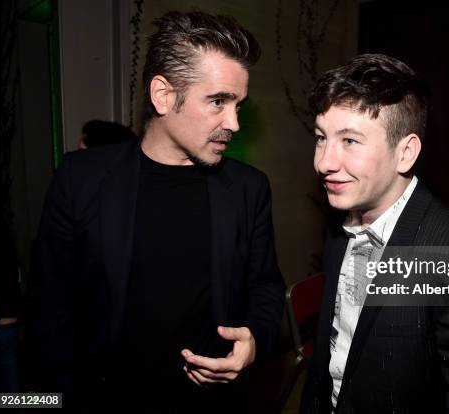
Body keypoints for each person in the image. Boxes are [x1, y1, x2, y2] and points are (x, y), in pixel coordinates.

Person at [25, 10, 285, 412]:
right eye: (218, 101)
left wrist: (254, 343)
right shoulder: (82, 178)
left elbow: (265, 286)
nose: (233, 123)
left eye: (238, 105)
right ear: (163, 95)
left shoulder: (249, 189)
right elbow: (48, 306)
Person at [300, 54, 449, 413]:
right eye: (322, 138)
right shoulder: (342, 222)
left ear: (405, 153)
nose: (324, 162)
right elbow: (332, 353)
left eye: (350, 141)